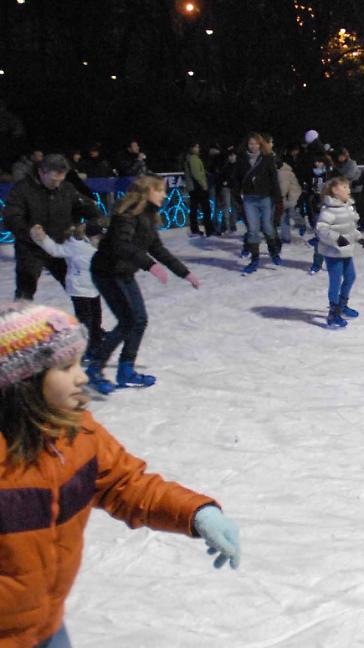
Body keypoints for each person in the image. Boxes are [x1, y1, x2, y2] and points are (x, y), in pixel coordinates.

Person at [0, 302, 240, 648]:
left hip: (46, 624)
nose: (81, 377)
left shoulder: (76, 432)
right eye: (66, 367)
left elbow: (124, 483)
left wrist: (197, 512)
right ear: (25, 382)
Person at [88, 175, 200, 391]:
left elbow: (157, 248)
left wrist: (184, 273)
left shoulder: (148, 216)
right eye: (160, 190)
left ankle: (126, 370)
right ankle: (95, 368)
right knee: (128, 321)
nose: (164, 195)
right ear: (147, 192)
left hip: (124, 273)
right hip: (107, 272)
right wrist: (151, 265)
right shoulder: (126, 215)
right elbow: (120, 245)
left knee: (139, 320)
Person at [1, 154, 104, 300]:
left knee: (80, 289)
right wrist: (29, 231)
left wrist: (95, 221)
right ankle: (22, 312)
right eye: (53, 180)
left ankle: (87, 315)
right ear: (42, 172)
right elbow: (11, 216)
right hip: (31, 248)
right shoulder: (22, 189)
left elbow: (86, 207)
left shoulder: (67, 188)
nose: (57, 184)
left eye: (61, 179)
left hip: (61, 245)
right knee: (25, 290)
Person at [29, 220, 105, 372]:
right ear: (88, 238)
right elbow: (55, 250)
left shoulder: (101, 248)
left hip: (93, 289)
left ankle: (95, 343)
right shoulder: (74, 246)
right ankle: (84, 349)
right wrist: (42, 238)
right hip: (79, 290)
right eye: (97, 238)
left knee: (96, 317)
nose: (99, 240)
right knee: (85, 320)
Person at [316, 176, 364, 328]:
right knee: (335, 281)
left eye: (348, 187)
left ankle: (342, 305)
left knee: (350, 276)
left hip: (346, 250)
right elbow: (321, 229)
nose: (348, 190)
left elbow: (350, 228)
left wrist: (359, 238)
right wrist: (337, 238)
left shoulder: (347, 207)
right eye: (344, 188)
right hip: (332, 251)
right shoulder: (328, 210)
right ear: (335, 191)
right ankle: (333, 314)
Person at [235, 134, 283, 273]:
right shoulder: (241, 159)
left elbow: (273, 178)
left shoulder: (267, 158)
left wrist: (277, 198)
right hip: (249, 198)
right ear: (247, 145)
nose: (253, 146)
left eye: (256, 143)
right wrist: (237, 194)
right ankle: (254, 259)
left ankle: (273, 252)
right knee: (253, 229)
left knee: (267, 227)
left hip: (265, 197)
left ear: (260, 145)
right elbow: (236, 178)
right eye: (251, 143)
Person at [183, 142, 214, 237]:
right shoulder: (194, 159)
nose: (198, 149)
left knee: (194, 208)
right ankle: (209, 229)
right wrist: (204, 185)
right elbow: (197, 174)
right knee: (206, 209)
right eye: (196, 147)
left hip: (193, 187)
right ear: (192, 148)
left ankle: (194, 229)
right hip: (198, 187)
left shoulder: (189, 158)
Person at [277, 158, 303, 244]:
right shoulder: (285, 170)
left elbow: (283, 188)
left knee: (286, 216)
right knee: (286, 216)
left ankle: (287, 237)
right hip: (290, 197)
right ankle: (286, 237)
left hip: (288, 198)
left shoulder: (282, 173)